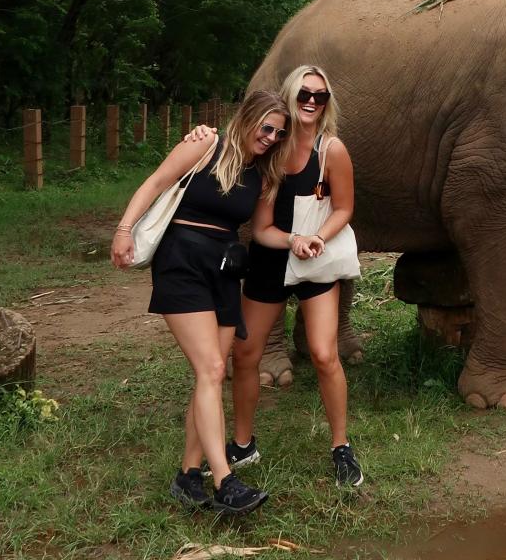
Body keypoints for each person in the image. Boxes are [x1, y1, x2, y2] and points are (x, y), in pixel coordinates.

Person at [111, 90, 292, 515]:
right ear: (247, 119)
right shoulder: (205, 143)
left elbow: (263, 230)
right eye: (266, 128)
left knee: (209, 373)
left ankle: (187, 475)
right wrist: (123, 230)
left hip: (227, 269)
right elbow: (154, 182)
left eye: (279, 134)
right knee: (211, 369)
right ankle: (224, 479)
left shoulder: (263, 174)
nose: (270, 138)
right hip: (182, 261)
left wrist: (295, 240)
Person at [188, 65, 363, 487]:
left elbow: (344, 207)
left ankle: (341, 446)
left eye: (320, 96)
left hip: (316, 261)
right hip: (271, 258)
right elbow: (262, 227)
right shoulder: (270, 149)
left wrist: (315, 238)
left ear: (326, 104)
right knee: (245, 356)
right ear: (290, 94)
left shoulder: (331, 150)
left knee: (324, 354)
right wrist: (200, 134)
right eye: (304, 92)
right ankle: (243, 444)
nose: (311, 101)